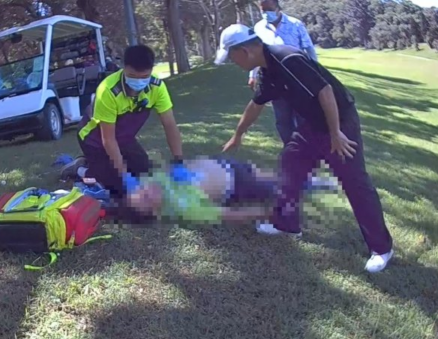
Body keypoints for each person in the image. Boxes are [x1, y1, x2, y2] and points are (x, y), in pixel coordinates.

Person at [214, 24, 394, 273]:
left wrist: (335, 133)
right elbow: (256, 104)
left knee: (355, 182)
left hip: (340, 122)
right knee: (290, 163)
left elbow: (325, 91)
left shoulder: (288, 59)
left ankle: (382, 248)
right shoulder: (267, 71)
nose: (233, 63)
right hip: (312, 125)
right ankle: (286, 224)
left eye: (232, 57)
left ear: (244, 51)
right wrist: (238, 135)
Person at [62, 44, 184, 220]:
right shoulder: (108, 90)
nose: (139, 82)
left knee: (145, 173)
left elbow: (170, 125)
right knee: (118, 189)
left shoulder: (157, 87)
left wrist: (179, 161)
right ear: (123, 68)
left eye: (144, 77)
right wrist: (125, 178)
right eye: (133, 76)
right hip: (94, 139)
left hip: (124, 138)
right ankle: (81, 169)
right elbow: (108, 140)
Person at [126, 156, 338, 225]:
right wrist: (267, 213)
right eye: (146, 198)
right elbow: (227, 214)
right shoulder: (184, 207)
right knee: (277, 187)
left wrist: (177, 167)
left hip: (226, 164)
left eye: (141, 189)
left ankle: (308, 178)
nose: (147, 190)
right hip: (238, 185)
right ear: (156, 212)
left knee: (270, 175)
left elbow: (169, 166)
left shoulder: (154, 180)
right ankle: (314, 184)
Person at [249, 0, 317, 146]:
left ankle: (307, 148)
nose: (266, 13)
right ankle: (291, 149)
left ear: (278, 7)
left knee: (303, 117)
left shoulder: (295, 24)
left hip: (298, 79)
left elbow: (309, 49)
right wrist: (252, 75)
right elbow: (256, 54)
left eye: (269, 9)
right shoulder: (259, 28)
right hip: (274, 80)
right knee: (283, 119)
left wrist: (315, 72)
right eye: (263, 10)